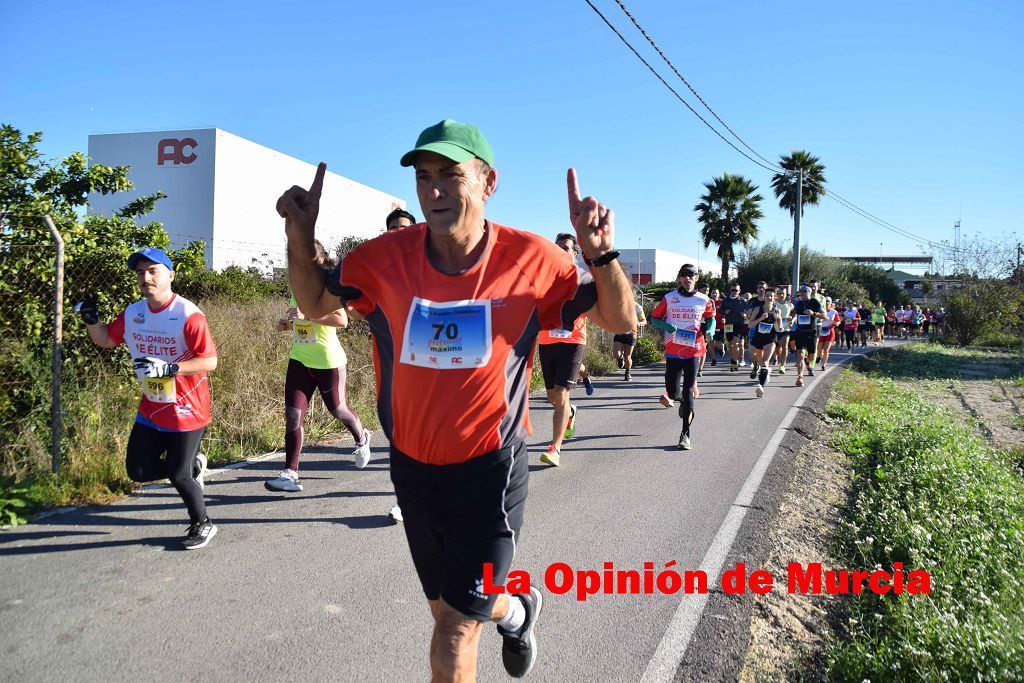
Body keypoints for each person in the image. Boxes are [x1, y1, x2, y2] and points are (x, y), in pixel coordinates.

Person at [277, 119, 635, 681]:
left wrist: (601, 253)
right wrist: (301, 233)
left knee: (450, 638)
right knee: (450, 607)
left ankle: (504, 609)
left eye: (450, 174)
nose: (434, 190)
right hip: (413, 469)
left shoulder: (534, 258)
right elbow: (317, 302)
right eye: (424, 177)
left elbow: (619, 319)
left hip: (488, 471)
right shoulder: (382, 257)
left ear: (487, 182)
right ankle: (517, 609)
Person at [76, 248, 219, 549]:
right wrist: (91, 321)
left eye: (153, 270)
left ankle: (202, 523)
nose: (146, 277)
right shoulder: (134, 313)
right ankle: (193, 467)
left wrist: (171, 368)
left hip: (187, 408)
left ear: (170, 274)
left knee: (177, 476)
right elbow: (105, 340)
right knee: (137, 471)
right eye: (141, 272)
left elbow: (209, 362)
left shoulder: (188, 315)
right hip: (152, 407)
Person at [266, 240, 371, 493]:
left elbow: (341, 320)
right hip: (300, 358)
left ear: (320, 260)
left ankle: (361, 436)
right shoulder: (297, 284)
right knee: (293, 416)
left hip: (328, 361)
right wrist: (287, 324)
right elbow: (299, 318)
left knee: (338, 410)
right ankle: (290, 473)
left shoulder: (329, 286)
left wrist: (307, 316)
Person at [537, 233, 590, 467]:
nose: (560, 252)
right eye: (557, 248)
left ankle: (555, 448)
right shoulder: (543, 278)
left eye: (565, 248)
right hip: (547, 342)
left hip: (573, 341)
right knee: (553, 397)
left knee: (559, 396)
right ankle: (570, 412)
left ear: (575, 254)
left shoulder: (583, 280)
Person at [650, 264, 715, 450]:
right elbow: (654, 318)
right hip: (673, 349)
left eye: (691, 275)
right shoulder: (669, 298)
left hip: (694, 349)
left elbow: (711, 317)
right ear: (679, 278)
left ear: (697, 277)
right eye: (684, 275)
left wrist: (709, 328)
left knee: (687, 390)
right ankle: (681, 401)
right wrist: (666, 326)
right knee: (672, 392)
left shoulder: (704, 300)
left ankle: (685, 434)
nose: (687, 279)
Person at [383, 210, 418, 523]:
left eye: (404, 228)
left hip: (425, 364)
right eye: (392, 228)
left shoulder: (430, 264)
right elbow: (353, 311)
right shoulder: (379, 269)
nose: (398, 232)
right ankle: (408, 496)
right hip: (387, 361)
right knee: (395, 430)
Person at [747, 287, 780, 397]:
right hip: (758, 338)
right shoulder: (758, 309)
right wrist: (760, 318)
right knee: (760, 361)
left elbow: (779, 324)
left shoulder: (776, 310)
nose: (769, 297)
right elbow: (750, 325)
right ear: (764, 297)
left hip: (770, 338)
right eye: (767, 295)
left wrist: (781, 326)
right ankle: (766, 373)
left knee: (765, 360)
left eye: (771, 296)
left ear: (774, 298)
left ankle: (760, 386)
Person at [789, 285, 823, 387]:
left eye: (804, 291)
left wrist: (813, 314)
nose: (802, 293)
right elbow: (795, 314)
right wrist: (791, 320)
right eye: (801, 292)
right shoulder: (798, 303)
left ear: (809, 292)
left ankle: (808, 362)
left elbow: (824, 315)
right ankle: (800, 377)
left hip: (811, 332)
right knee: (800, 353)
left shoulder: (814, 302)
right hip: (800, 331)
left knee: (812, 355)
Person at [614, 300, 647, 381]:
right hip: (619, 333)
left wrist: (639, 323)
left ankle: (627, 372)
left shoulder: (637, 307)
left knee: (627, 356)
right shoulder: (619, 305)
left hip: (631, 334)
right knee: (616, 354)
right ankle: (620, 358)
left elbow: (644, 321)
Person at [718, 283, 747, 372]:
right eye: (732, 290)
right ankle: (734, 359)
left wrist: (745, 315)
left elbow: (749, 313)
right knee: (730, 345)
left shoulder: (743, 301)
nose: (734, 292)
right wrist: (724, 312)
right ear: (730, 290)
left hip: (739, 324)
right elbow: (720, 311)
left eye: (736, 290)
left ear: (739, 291)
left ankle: (734, 362)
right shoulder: (726, 300)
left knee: (735, 343)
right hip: (729, 325)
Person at [696, 283, 716, 380]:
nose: (706, 292)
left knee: (703, 346)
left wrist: (710, 329)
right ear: (699, 290)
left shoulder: (710, 300)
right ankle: (693, 366)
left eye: (707, 291)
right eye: (704, 290)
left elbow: (713, 314)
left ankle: (700, 369)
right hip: (695, 325)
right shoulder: (694, 299)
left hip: (705, 325)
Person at [772, 285, 793, 374]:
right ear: (777, 294)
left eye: (783, 293)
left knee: (784, 347)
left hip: (786, 329)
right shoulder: (774, 304)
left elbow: (795, 314)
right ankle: (778, 359)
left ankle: (782, 365)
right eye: (779, 293)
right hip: (775, 329)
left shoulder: (790, 305)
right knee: (777, 348)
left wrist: (792, 319)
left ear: (786, 294)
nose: (781, 295)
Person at [817, 297, 839, 369]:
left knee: (826, 349)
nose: (827, 302)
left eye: (828, 301)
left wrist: (837, 323)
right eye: (825, 301)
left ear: (831, 303)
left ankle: (823, 364)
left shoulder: (834, 312)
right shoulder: (819, 311)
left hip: (830, 331)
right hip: (821, 330)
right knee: (819, 349)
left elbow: (838, 320)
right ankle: (820, 356)